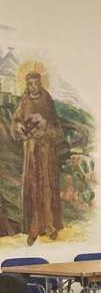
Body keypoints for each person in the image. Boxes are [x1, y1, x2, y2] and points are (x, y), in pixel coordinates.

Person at [12, 70, 64, 246]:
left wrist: (44, 123)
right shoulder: (24, 100)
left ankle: (49, 225)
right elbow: (16, 121)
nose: (32, 87)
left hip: (45, 152)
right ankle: (34, 227)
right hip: (30, 152)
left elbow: (58, 132)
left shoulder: (47, 100)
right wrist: (18, 127)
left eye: (35, 83)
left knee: (46, 188)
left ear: (40, 83)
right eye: (29, 83)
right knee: (33, 188)